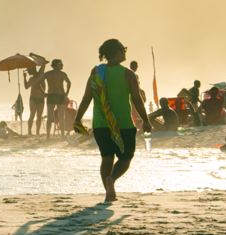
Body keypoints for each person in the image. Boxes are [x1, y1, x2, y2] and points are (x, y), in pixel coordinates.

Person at [74, 38, 151, 202]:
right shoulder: (128, 74)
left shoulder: (96, 72)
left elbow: (87, 97)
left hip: (101, 124)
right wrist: (146, 120)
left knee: (107, 158)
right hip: (123, 123)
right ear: (116, 52)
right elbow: (137, 99)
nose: (124, 52)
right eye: (123, 49)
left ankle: (109, 192)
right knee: (126, 158)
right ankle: (112, 179)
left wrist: (78, 119)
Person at [43, 59, 71, 137]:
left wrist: (43, 92)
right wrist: (66, 94)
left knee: (49, 117)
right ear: (57, 65)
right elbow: (69, 83)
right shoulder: (62, 74)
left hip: (51, 95)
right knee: (61, 117)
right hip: (60, 96)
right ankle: (62, 136)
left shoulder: (48, 74)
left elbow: (39, 82)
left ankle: (48, 136)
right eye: (61, 64)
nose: (62, 66)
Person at [24, 65, 47, 135]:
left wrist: (34, 55)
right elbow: (26, 87)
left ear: (33, 70)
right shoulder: (32, 79)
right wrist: (24, 78)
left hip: (40, 98)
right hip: (33, 98)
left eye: (29, 70)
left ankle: (37, 132)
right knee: (32, 115)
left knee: (38, 116)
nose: (28, 72)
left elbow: (43, 65)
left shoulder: (40, 75)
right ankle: (29, 131)